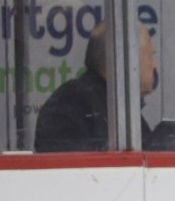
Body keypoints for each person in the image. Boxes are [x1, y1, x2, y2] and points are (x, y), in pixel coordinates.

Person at [34, 22, 156, 152]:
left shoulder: (120, 108)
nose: (154, 65)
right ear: (125, 59)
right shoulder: (71, 103)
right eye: (150, 56)